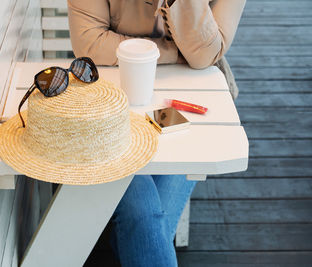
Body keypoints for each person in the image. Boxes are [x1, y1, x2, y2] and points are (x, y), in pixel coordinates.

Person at [67, 1, 246, 266]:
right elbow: (90, 43)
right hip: (116, 105)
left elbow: (205, 55)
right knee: (143, 216)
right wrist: (173, 52)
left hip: (193, 104)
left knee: (141, 219)